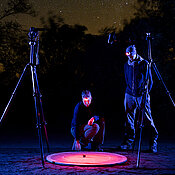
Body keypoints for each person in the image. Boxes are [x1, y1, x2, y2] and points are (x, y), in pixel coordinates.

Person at [121, 45, 158, 153]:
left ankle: (153, 143)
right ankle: (128, 143)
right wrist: (129, 91)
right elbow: (127, 79)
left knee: (147, 119)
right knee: (129, 119)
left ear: (135, 53)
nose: (130, 56)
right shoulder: (126, 64)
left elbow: (150, 81)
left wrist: (145, 93)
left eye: (131, 54)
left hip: (142, 95)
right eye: (127, 54)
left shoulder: (144, 63)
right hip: (129, 95)